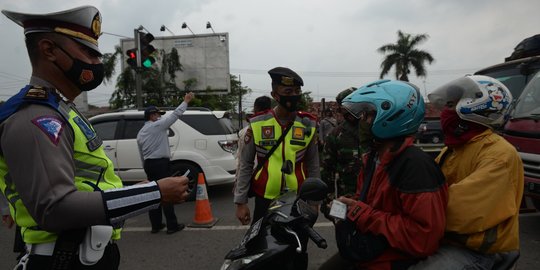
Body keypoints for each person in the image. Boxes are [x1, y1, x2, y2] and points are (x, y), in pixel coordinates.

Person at [0, 6, 189, 269]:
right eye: (88, 52)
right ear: (49, 50)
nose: (97, 63)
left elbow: (83, 181)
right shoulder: (36, 116)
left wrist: (131, 190)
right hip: (62, 259)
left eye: (97, 54)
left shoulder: (61, 109)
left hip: (85, 254)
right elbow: (56, 208)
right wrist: (153, 193)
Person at [410, 75, 524, 269]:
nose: (446, 111)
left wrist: (404, 210)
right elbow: (428, 186)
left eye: (453, 104)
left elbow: (460, 210)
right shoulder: (453, 149)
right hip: (448, 239)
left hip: (476, 249)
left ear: (479, 106)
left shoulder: (499, 154)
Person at [336, 80, 448, 270]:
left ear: (391, 116)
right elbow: (371, 205)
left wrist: (360, 213)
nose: (363, 121)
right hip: (370, 252)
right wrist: (346, 208)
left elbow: (422, 237)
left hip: (394, 259)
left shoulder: (414, 166)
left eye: (369, 114)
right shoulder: (373, 159)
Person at [234, 67, 320, 225]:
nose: (294, 96)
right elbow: (245, 164)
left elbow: (313, 164)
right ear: (275, 95)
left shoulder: (309, 124)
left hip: (298, 199)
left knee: (298, 247)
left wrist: (314, 202)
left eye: (297, 91)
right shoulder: (258, 123)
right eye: (288, 92)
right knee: (260, 246)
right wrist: (241, 202)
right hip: (264, 199)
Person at [318, 87, 368, 270]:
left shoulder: (375, 131)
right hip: (347, 206)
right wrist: (329, 208)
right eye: (345, 107)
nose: (350, 111)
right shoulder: (335, 135)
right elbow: (326, 174)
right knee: (349, 250)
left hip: (374, 205)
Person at [136, 92, 194, 235]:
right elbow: (175, 115)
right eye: (158, 115)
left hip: (149, 165)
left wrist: (146, 167)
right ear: (152, 116)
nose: (160, 117)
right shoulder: (157, 126)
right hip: (160, 164)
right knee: (167, 192)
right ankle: (172, 226)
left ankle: (156, 225)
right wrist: (186, 101)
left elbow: (142, 155)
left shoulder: (141, 132)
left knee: (153, 193)